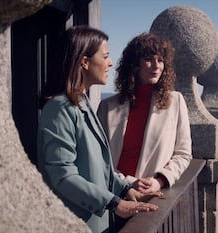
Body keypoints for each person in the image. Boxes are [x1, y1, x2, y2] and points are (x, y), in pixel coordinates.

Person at [37, 26, 160, 233]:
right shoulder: (60, 108)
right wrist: (114, 202)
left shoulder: (81, 102)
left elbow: (99, 166)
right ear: (84, 62)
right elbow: (62, 175)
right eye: (105, 56)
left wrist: (126, 188)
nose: (110, 63)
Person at [97, 32, 192, 194]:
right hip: (114, 193)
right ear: (134, 65)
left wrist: (160, 181)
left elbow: (183, 154)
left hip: (151, 196)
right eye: (149, 59)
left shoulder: (175, 102)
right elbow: (98, 158)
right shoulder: (107, 107)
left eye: (160, 60)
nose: (156, 65)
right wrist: (126, 184)